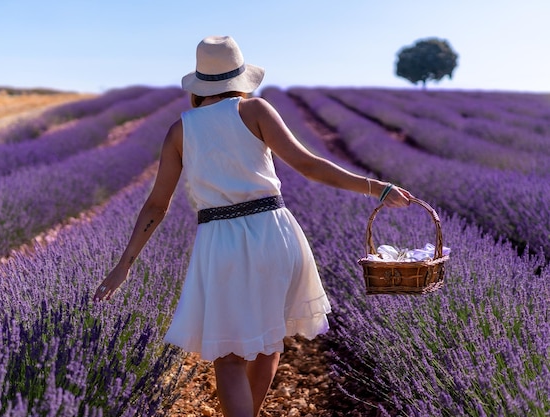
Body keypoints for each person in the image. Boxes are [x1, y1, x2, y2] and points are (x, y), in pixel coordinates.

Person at [93, 35, 412, 417]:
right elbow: (308, 165)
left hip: (220, 242)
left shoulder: (180, 131)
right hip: (274, 233)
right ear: (239, 78)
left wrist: (124, 264)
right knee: (268, 344)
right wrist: (377, 187)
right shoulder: (255, 110)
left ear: (200, 83)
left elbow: (156, 205)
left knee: (227, 358)